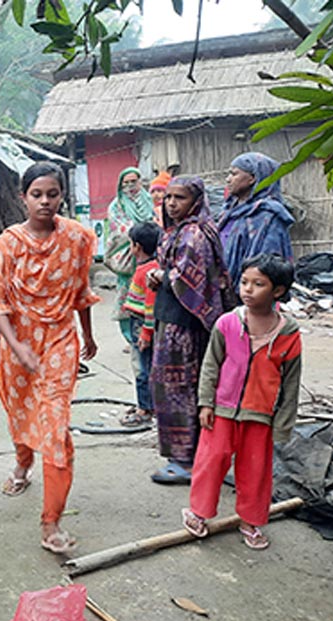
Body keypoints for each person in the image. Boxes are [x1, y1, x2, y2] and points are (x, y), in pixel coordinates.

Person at [0, 161, 100, 554]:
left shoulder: (79, 238)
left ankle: (51, 522)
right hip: (20, 343)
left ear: (62, 195)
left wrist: (88, 334)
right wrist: (19, 348)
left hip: (61, 341)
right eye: (37, 194)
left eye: (53, 193)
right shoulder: (7, 245)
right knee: (20, 412)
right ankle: (22, 464)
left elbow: (81, 292)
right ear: (23, 197)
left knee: (55, 427)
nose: (45, 202)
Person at [182, 254, 302, 549]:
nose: (247, 289)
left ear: (278, 291)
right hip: (221, 411)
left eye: (258, 284)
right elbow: (211, 365)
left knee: (255, 471)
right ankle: (199, 513)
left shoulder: (289, 334)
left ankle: (250, 520)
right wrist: (206, 403)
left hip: (260, 415)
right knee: (211, 462)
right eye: (244, 282)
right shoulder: (227, 323)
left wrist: (283, 424)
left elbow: (291, 383)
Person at [146, 176, 232, 484]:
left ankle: (186, 458)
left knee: (178, 387)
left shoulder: (194, 233)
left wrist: (163, 276)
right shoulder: (176, 231)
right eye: (168, 197)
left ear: (195, 200)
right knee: (174, 386)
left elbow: (189, 279)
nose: (171, 203)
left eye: (179, 198)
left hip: (184, 324)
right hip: (171, 317)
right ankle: (188, 454)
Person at [218, 152, 295, 294]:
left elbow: (269, 264)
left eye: (234, 174)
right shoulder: (228, 212)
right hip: (222, 291)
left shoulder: (268, 216)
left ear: (253, 178)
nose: (228, 179)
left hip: (251, 295)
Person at [105, 168, 156, 345]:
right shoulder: (116, 205)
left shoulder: (148, 200)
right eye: (125, 183)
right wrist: (140, 231)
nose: (129, 187)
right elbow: (119, 228)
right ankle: (130, 337)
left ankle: (147, 332)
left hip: (149, 256)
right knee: (127, 299)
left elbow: (155, 220)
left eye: (133, 182)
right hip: (129, 257)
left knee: (148, 296)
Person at [120, 222, 162, 427]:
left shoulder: (146, 271)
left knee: (142, 367)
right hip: (143, 323)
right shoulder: (154, 266)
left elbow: (150, 305)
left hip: (142, 324)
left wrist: (146, 332)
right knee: (148, 364)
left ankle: (144, 409)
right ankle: (148, 403)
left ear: (136, 246)